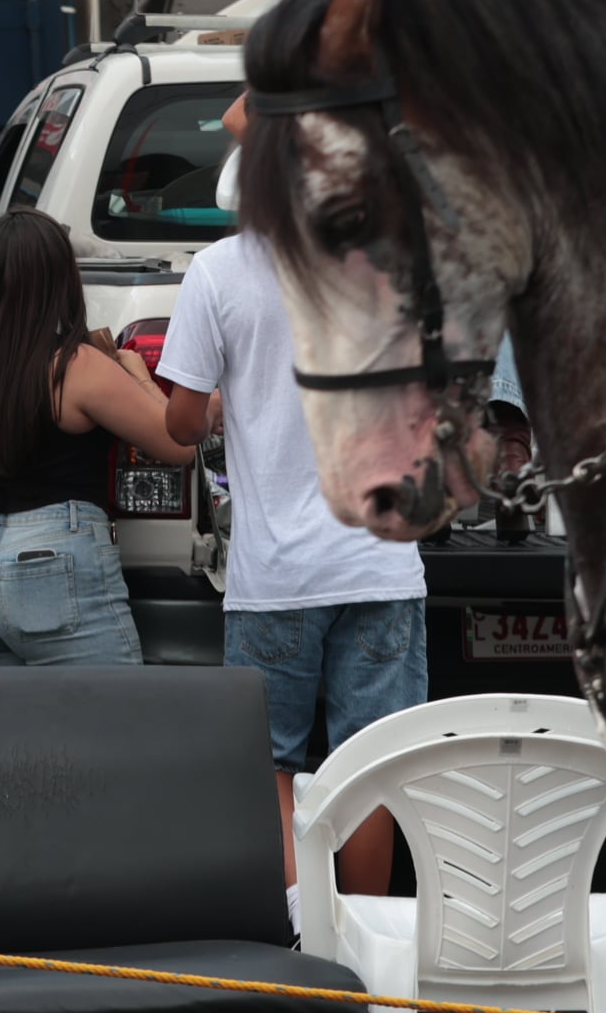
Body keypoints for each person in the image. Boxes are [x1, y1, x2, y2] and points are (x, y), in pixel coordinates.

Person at [162, 134, 430, 931]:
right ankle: (368, 943)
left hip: (275, 575)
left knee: (272, 765)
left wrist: (222, 401)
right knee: (370, 767)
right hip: (381, 561)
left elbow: (180, 425)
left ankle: (305, 933)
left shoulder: (219, 271)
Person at [0, 209, 195, 666]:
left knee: (6, 718)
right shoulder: (75, 366)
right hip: (51, 574)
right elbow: (179, 444)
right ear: (61, 280)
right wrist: (137, 375)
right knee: (114, 711)